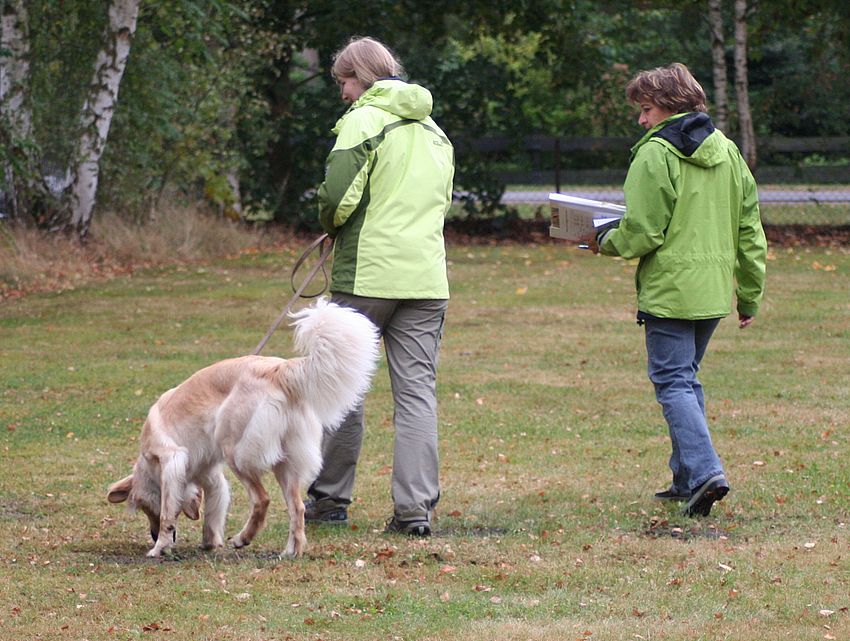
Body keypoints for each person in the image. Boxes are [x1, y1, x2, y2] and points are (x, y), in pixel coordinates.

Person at [582, 62, 767, 517]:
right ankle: (687, 478)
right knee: (685, 379)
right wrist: (749, 294)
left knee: (673, 382)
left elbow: (643, 231)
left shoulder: (655, 154)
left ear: (670, 105)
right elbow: (750, 230)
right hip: (711, 293)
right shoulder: (728, 151)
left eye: (646, 109)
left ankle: (705, 473)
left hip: (670, 291)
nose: (641, 119)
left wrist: (601, 240)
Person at [305, 36, 454, 536]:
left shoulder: (362, 121)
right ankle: (415, 510)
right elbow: (441, 202)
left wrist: (329, 224)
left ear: (361, 76)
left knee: (342, 388)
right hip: (426, 279)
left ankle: (329, 499)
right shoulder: (434, 130)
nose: (343, 93)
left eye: (344, 81)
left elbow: (337, 198)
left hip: (367, 275)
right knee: (417, 394)